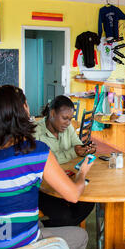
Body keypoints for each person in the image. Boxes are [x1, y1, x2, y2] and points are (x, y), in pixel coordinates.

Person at [0, 85, 93, 249]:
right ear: (23, 111)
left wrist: (1, 190)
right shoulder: (36, 151)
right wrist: (82, 172)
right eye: (26, 105)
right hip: (20, 244)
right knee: (80, 235)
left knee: (41, 222)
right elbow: (74, 195)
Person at [34, 95, 95, 227]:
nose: (68, 123)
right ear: (52, 113)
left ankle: (53, 227)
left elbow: (77, 146)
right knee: (64, 215)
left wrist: (86, 150)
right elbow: (49, 161)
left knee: (88, 203)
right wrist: (74, 152)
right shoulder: (35, 132)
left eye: (70, 119)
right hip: (44, 187)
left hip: (68, 179)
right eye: (64, 118)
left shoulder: (68, 128)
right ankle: (58, 228)